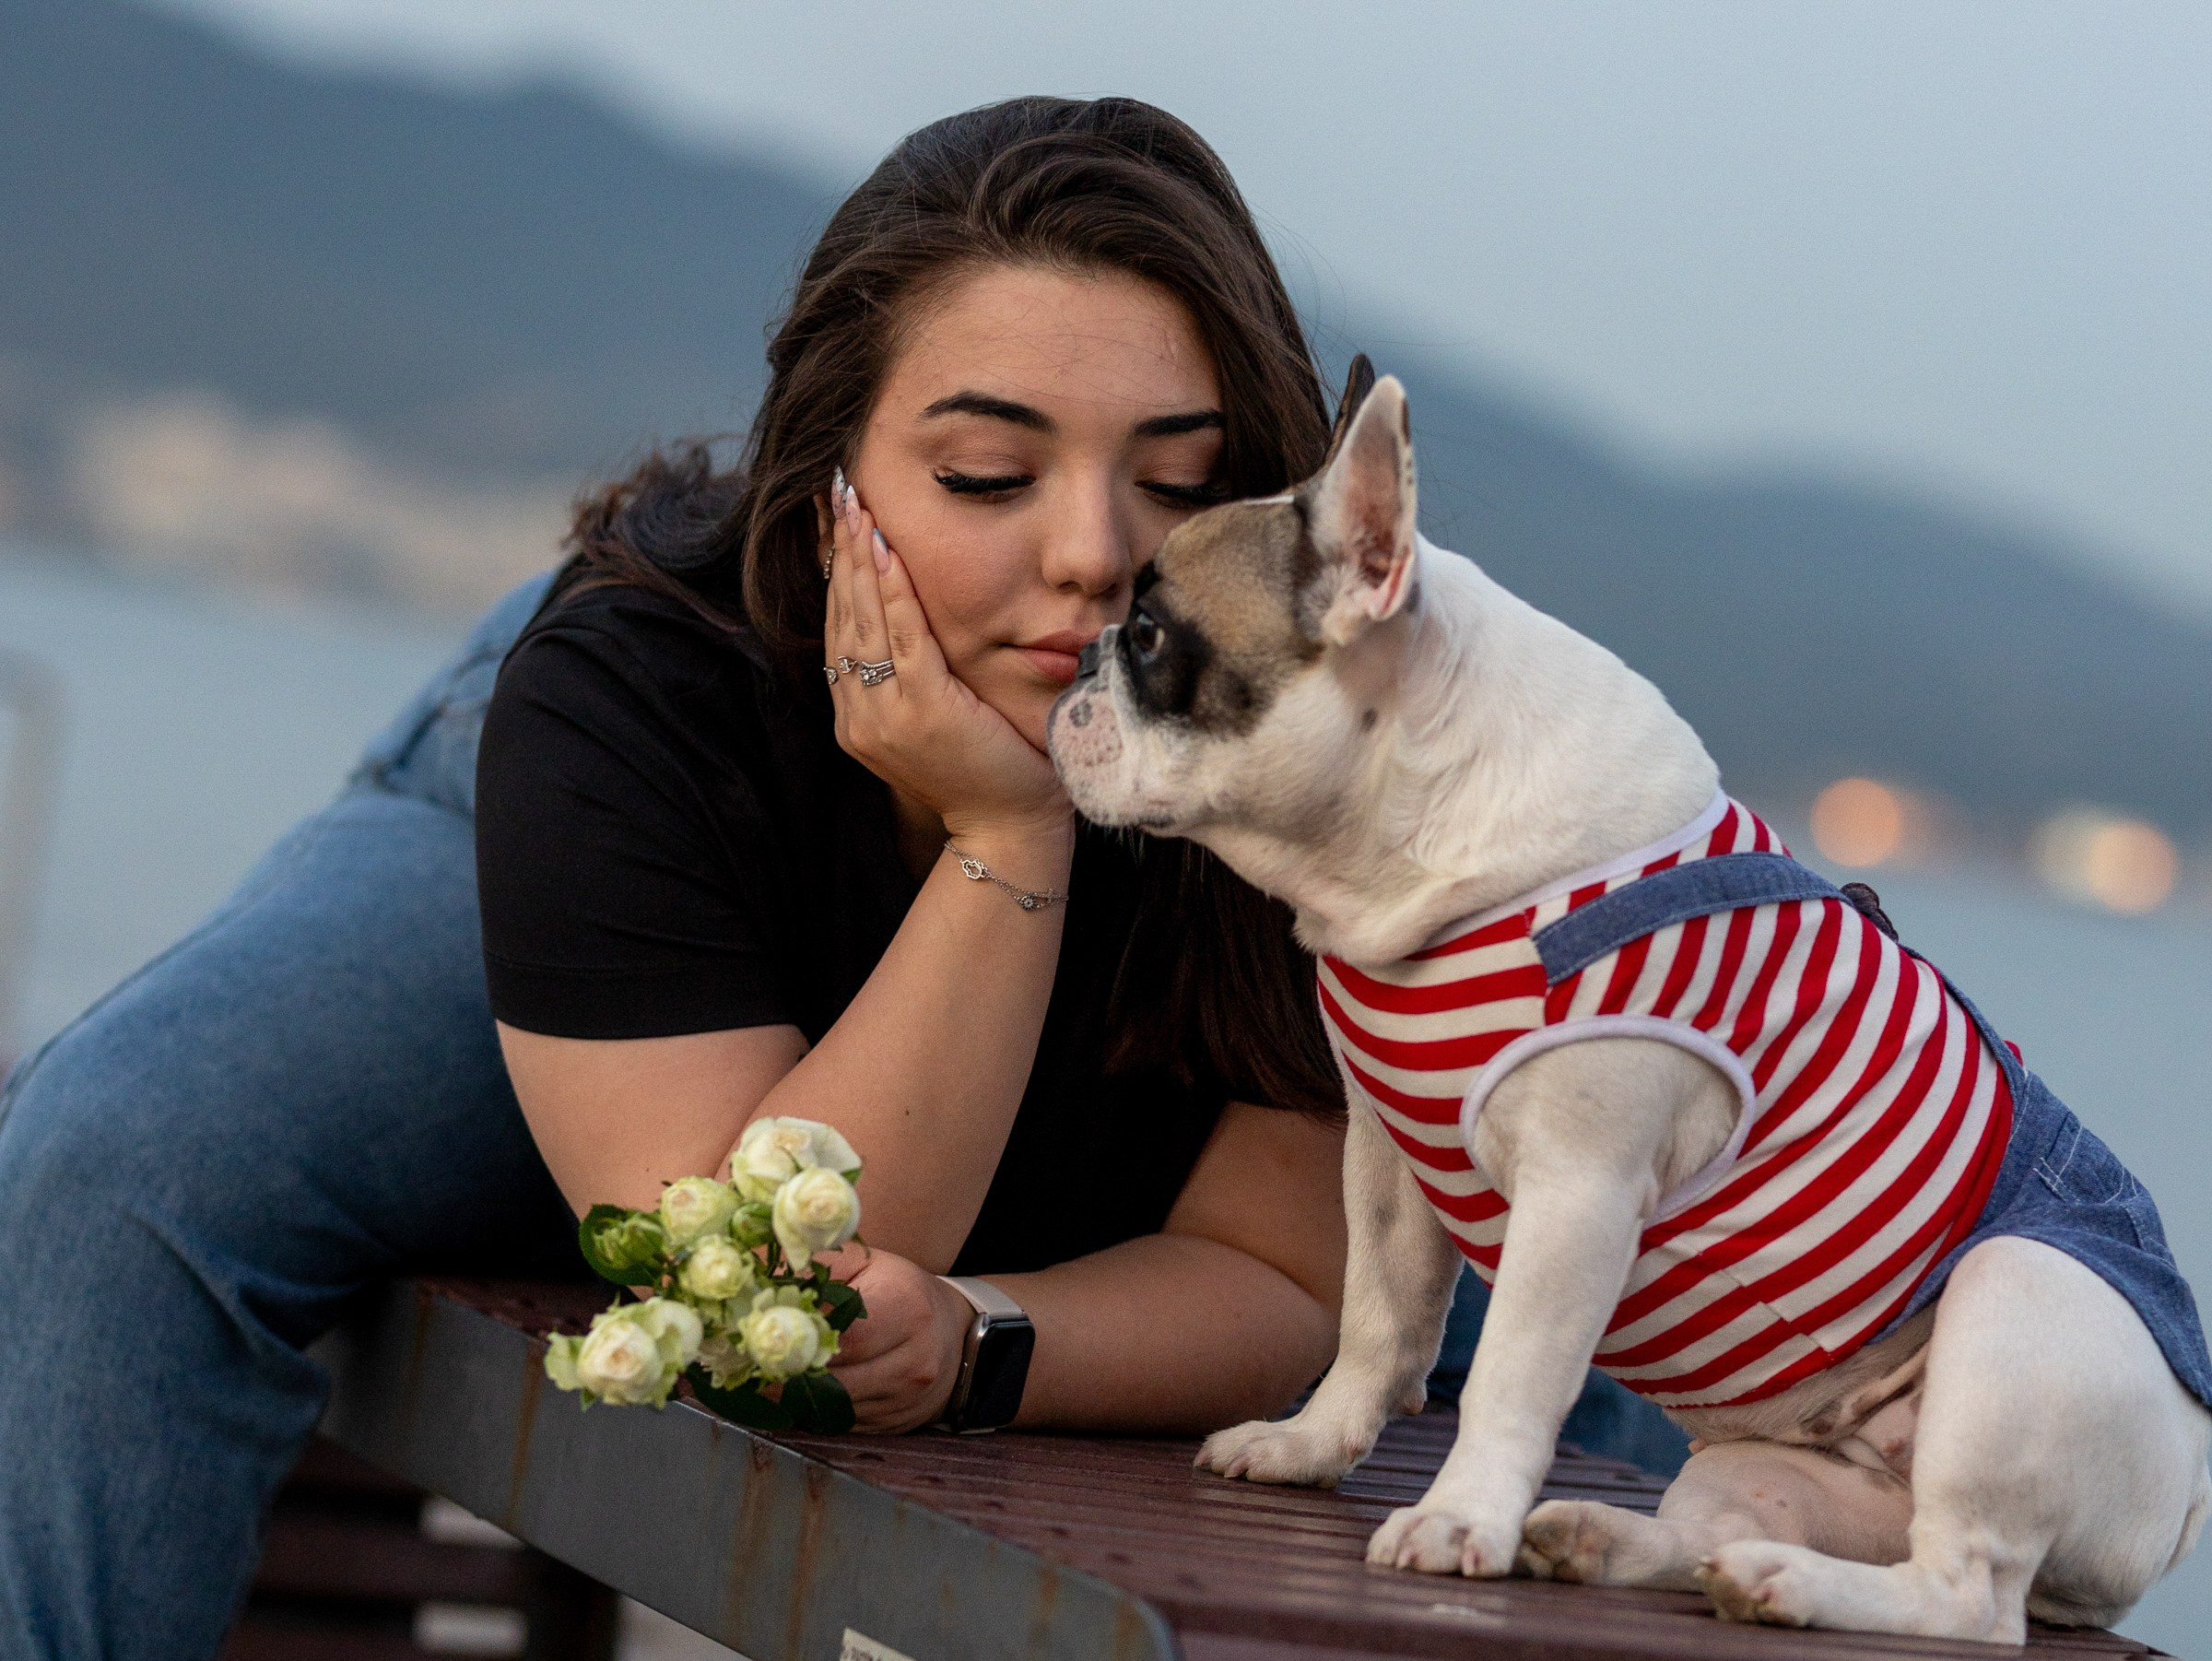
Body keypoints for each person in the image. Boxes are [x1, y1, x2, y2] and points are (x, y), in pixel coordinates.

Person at [0, 96, 1674, 1661]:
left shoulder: (1317, 719)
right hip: (653, 838)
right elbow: (753, 1282)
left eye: (1176, 482)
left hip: (1085, 992)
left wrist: (982, 1335)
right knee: (119, 1161)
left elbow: (1286, 1275)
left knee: (1642, 1382)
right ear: (826, 491)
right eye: (985, 475)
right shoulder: (636, 693)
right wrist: (1010, 838)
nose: (1094, 553)